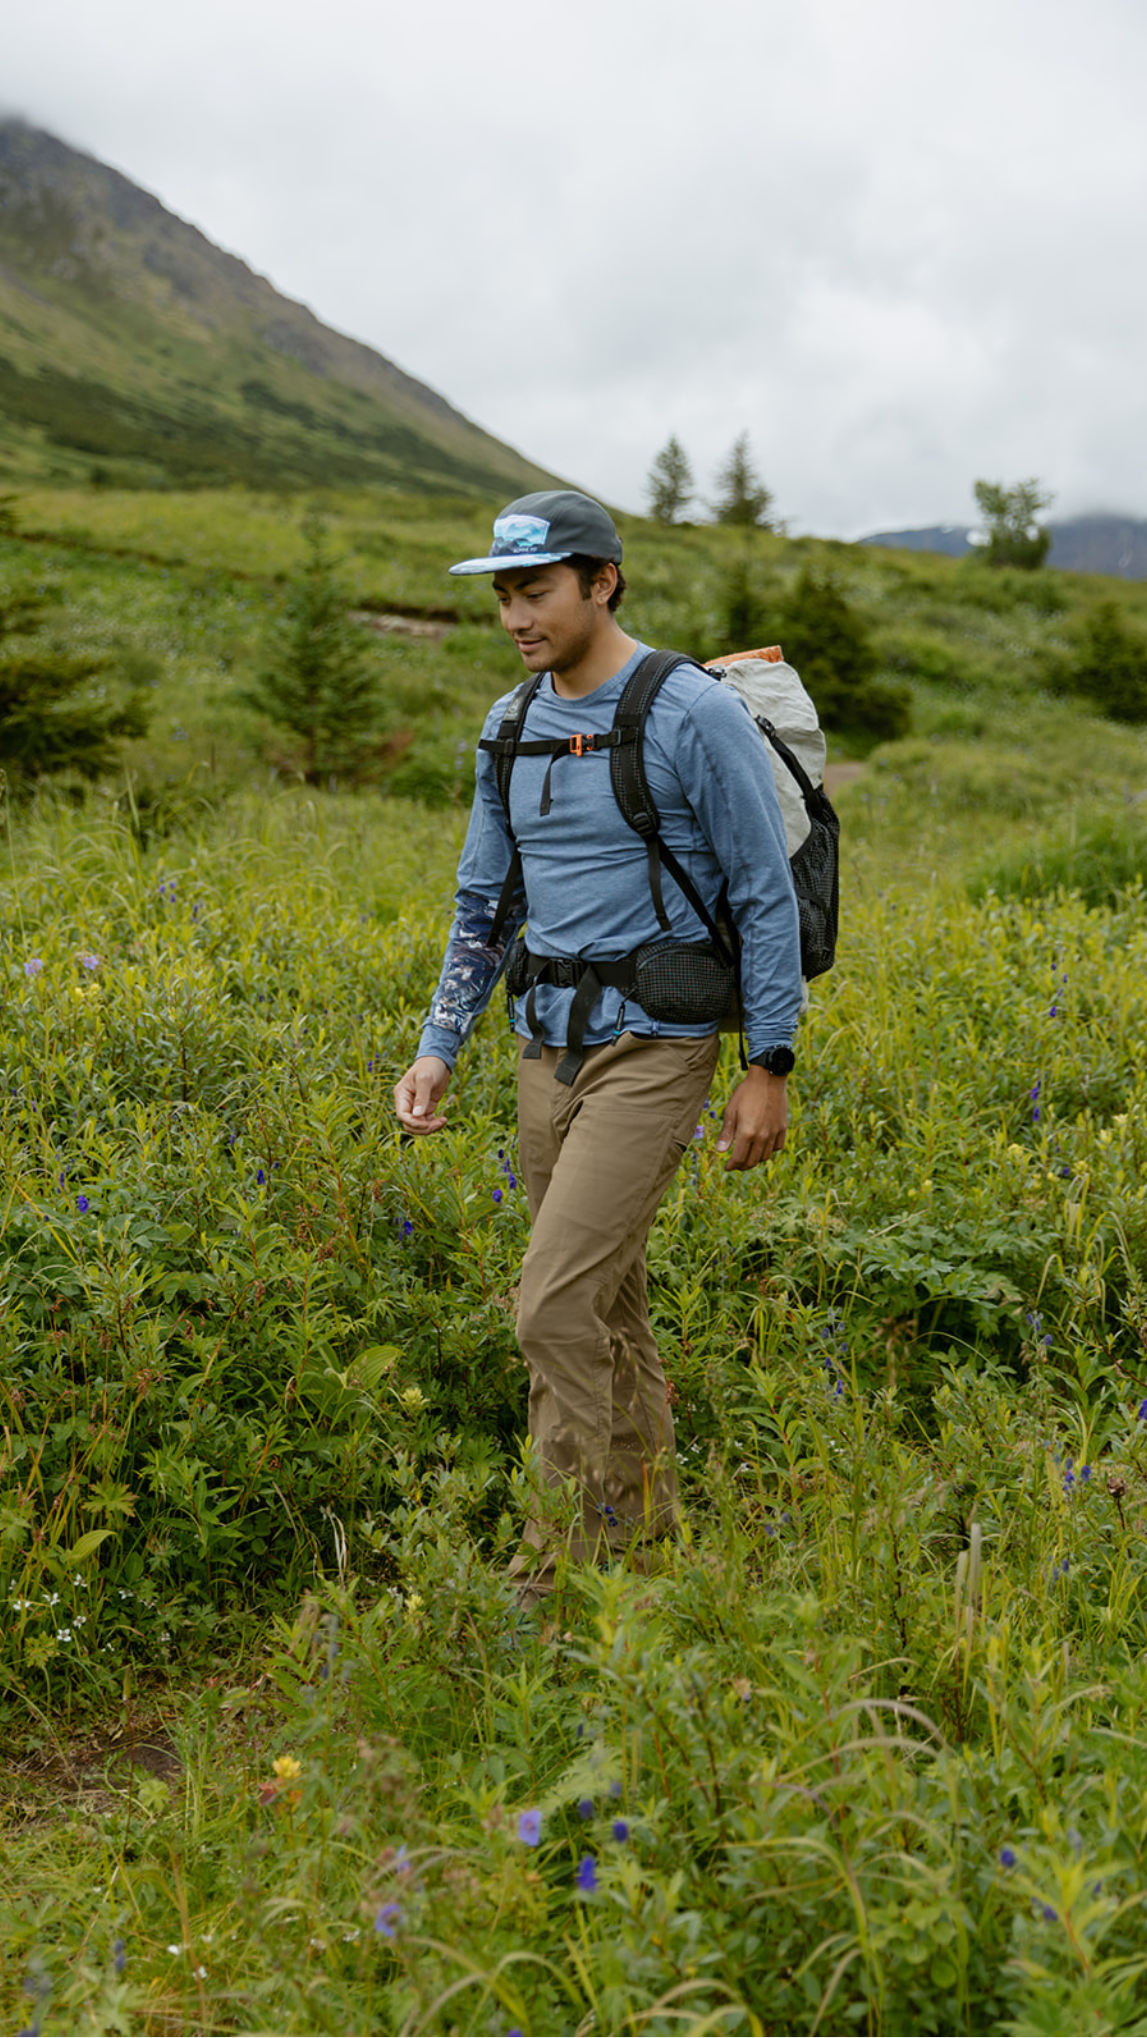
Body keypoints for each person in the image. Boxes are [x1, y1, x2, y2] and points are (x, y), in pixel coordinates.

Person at [393, 489, 802, 1605]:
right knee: (607, 1308)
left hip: (657, 1048)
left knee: (552, 1306)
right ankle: (652, 1554)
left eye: (536, 591)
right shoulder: (511, 721)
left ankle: (561, 1563)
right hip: (544, 1048)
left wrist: (768, 1061)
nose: (517, 616)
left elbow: (763, 893)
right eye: (504, 596)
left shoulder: (688, 712)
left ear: (601, 581)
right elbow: (485, 901)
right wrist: (440, 1044)